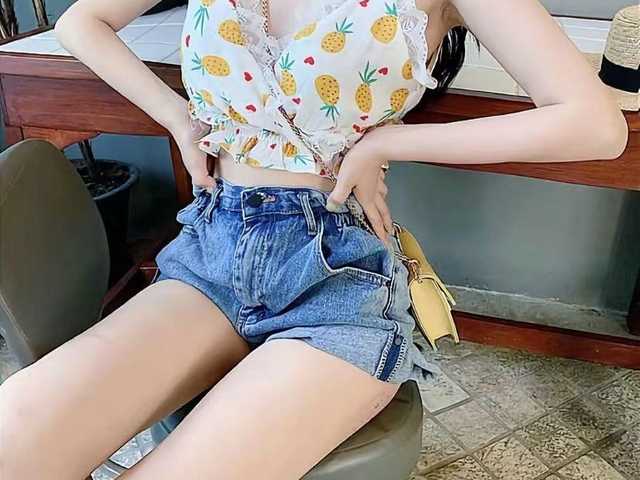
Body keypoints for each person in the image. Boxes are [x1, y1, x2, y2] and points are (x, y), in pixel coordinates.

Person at [0, 0, 628, 478]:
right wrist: (177, 117)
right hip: (212, 253)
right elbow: (82, 22)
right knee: (15, 437)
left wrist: (387, 142)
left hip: (338, 279)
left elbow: (595, 125)